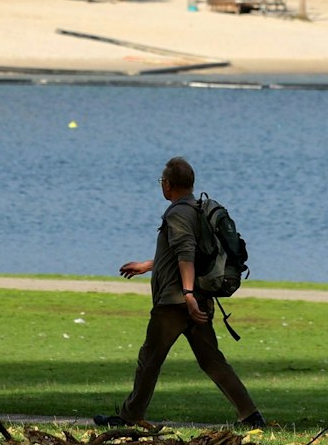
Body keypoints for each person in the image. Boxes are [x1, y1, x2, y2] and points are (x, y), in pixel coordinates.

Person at [95, 156, 264, 428]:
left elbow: (186, 254)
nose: (162, 185)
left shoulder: (176, 214)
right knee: (212, 361)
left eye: (162, 181)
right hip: (199, 299)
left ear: (169, 185)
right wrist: (148, 266)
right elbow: (187, 254)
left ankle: (129, 417)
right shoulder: (198, 210)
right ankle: (250, 415)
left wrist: (187, 294)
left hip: (176, 303)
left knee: (149, 359)